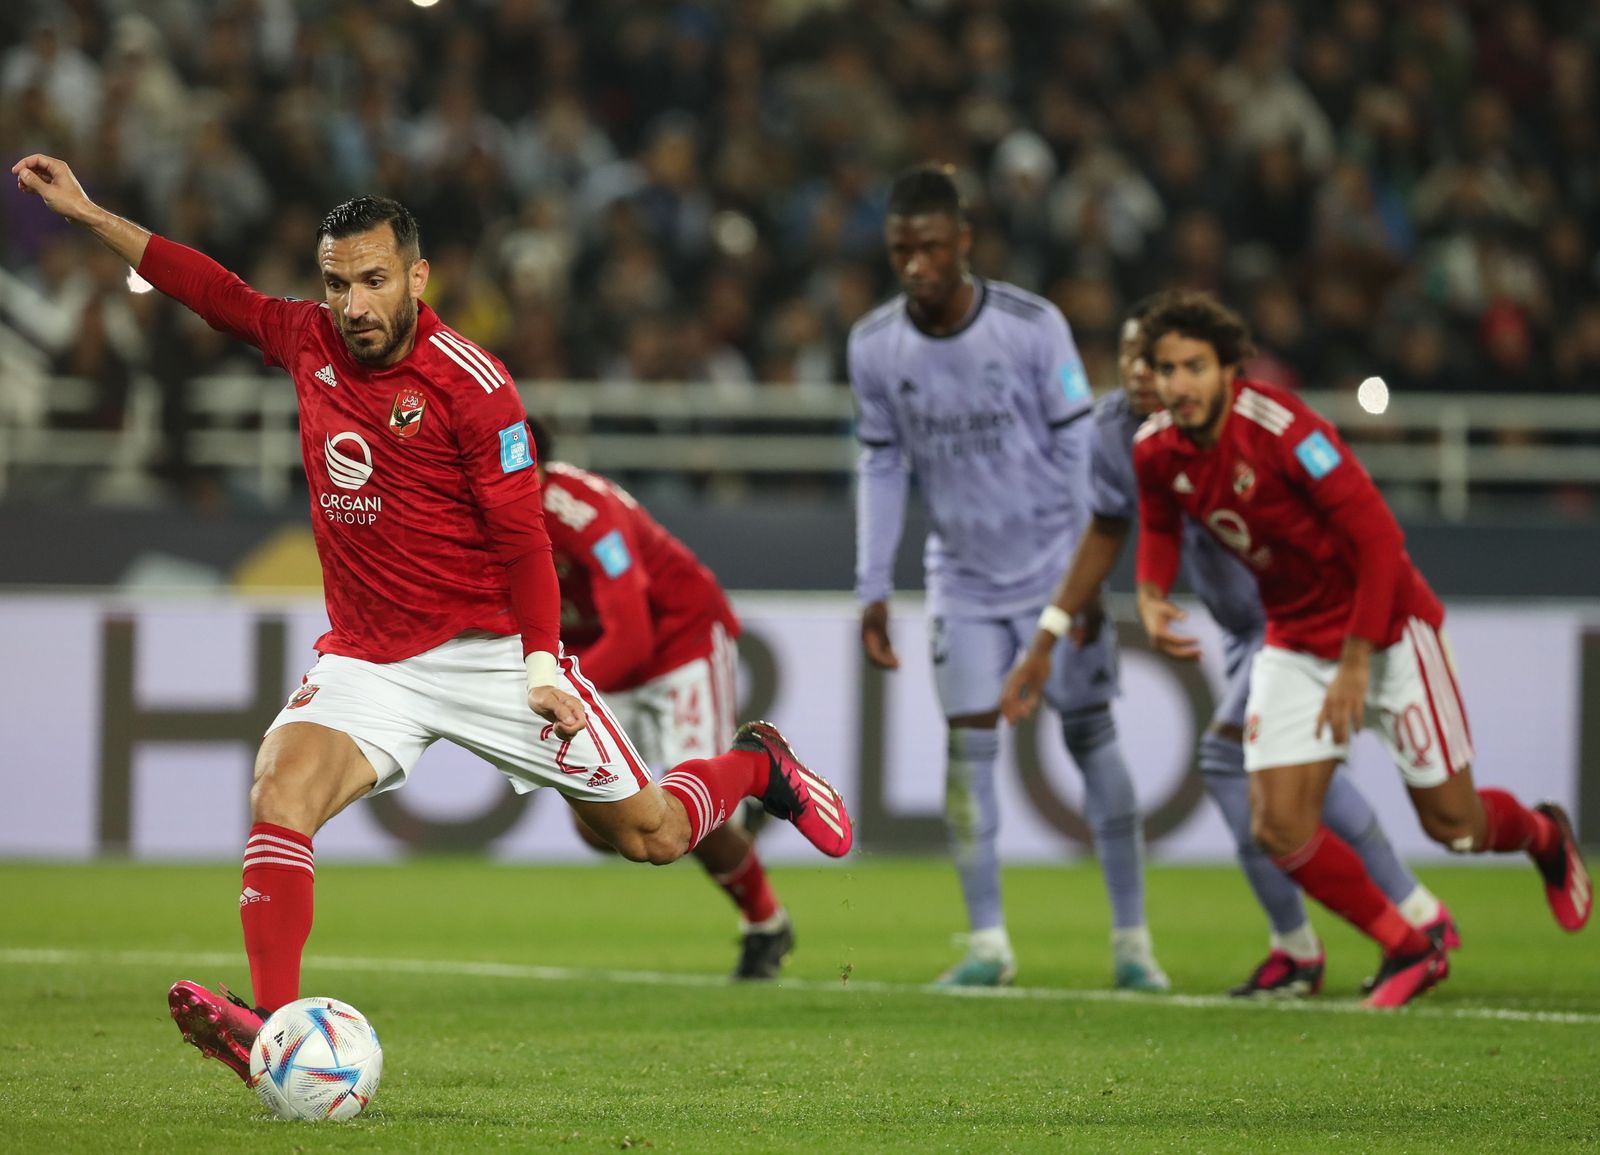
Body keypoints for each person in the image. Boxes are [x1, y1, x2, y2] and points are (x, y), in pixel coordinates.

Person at [12, 153, 853, 1082]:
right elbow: (210, 288)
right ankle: (273, 1022)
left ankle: (758, 764)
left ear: (417, 276)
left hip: (490, 656)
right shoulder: (307, 340)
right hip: (369, 660)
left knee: (651, 835)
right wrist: (91, 213)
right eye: (337, 284)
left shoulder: (473, 383)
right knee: (280, 791)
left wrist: (541, 663)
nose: (354, 306)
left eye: (373, 281)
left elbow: (527, 541)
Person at [1127, 288, 1589, 1009]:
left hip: (1392, 632)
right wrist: (1152, 592)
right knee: (1278, 822)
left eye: (1194, 366)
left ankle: (1541, 834)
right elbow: (1157, 516)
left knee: (1454, 826)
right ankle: (1409, 945)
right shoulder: (1157, 446)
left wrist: (1355, 661)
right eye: (1165, 368)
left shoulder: (1283, 430)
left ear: (1228, 370)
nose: (1178, 384)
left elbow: (1378, 538)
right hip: (1294, 634)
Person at [1001, 300, 1458, 997]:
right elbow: (1109, 533)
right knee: (1298, 785)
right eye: (1140, 362)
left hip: (1289, 622)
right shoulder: (1121, 437)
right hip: (1252, 628)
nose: (1152, 376)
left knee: (1239, 766)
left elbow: (1357, 521)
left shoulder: (1237, 424)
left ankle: (1330, 939)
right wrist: (1053, 632)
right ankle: (1404, 918)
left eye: (1175, 365)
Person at [850, 165, 1167, 991]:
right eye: (900, 250)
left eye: (929, 247)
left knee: (1091, 736)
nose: (915, 265)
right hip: (962, 579)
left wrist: (1084, 579)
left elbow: (1077, 451)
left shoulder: (1032, 327)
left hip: (1054, 573)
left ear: (963, 243)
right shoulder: (874, 345)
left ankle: (1133, 941)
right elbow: (881, 466)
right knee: (969, 752)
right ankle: (988, 942)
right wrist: (871, 585)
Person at [527, 416, 794, 980]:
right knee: (600, 828)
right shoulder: (474, 511)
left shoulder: (586, 516)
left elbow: (633, 636)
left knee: (689, 811)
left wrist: (555, 687)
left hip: (677, 644)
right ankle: (736, 800)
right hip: (590, 661)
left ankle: (765, 917)